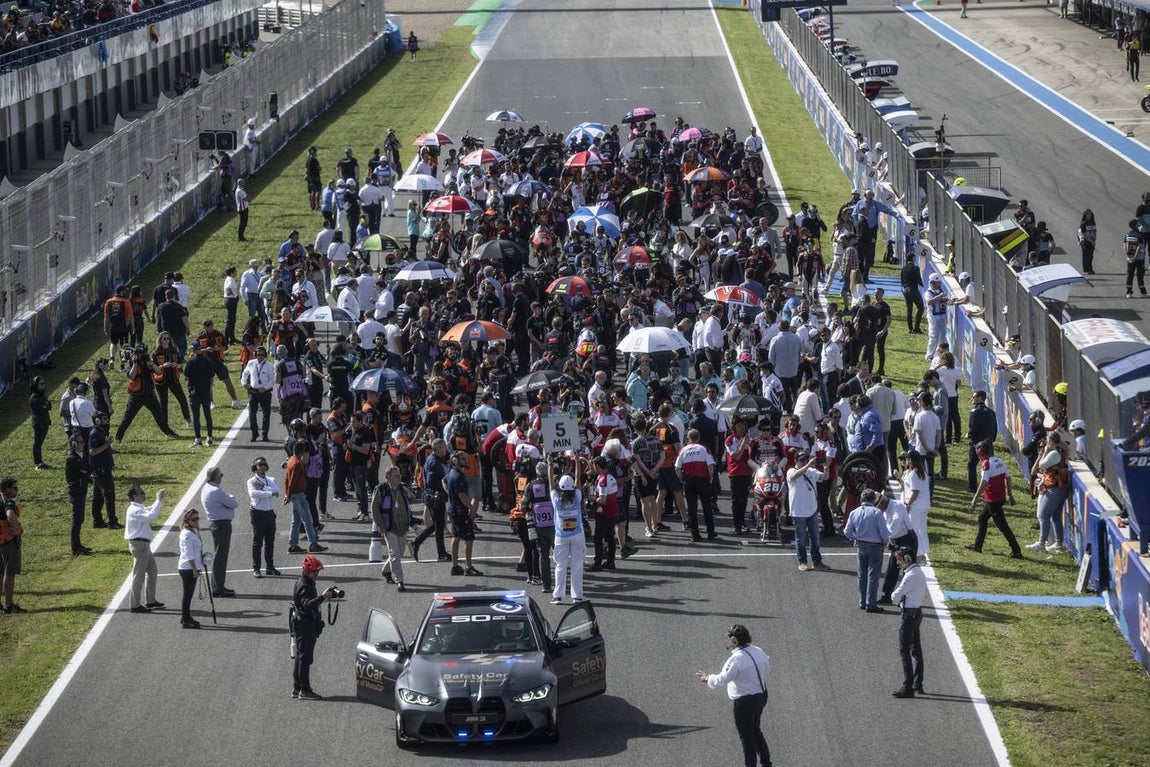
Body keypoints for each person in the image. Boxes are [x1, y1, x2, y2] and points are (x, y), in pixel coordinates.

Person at [696, 624, 773, 767]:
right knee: (756, 731)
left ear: (734, 641)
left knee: (747, 739)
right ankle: (766, 764)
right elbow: (767, 670)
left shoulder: (736, 659)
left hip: (744, 703)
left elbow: (723, 679)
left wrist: (707, 678)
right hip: (761, 696)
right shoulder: (759, 651)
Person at [966, 441, 1022, 558]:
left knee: (1002, 526)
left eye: (977, 451)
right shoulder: (999, 461)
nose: (977, 454)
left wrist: (975, 498)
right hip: (997, 498)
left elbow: (984, 482)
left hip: (993, 499)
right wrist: (1009, 494)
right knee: (982, 518)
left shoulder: (986, 464)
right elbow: (1008, 478)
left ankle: (1016, 550)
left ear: (981, 452)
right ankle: (978, 545)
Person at [292, 554, 336, 699]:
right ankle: (305, 690)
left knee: (300, 657)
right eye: (315, 572)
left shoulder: (303, 581)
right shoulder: (305, 586)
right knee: (305, 658)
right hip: (305, 625)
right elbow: (307, 604)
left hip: (300, 623)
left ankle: (297, 687)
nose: (317, 574)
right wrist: (322, 597)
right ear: (308, 571)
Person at [843, 488, 891, 612]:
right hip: (875, 546)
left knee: (861, 575)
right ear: (873, 500)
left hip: (861, 545)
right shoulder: (877, 513)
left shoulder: (854, 512)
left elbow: (847, 531)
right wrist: (886, 541)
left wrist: (856, 538)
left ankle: (862, 601)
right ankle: (871, 603)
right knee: (873, 576)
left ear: (861, 499)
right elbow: (883, 531)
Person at [548, 456, 586, 605]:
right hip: (577, 535)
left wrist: (550, 464)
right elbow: (578, 481)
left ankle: (557, 596)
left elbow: (551, 483)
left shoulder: (556, 500)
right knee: (577, 566)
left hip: (561, 537)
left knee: (560, 566)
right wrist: (577, 462)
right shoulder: (577, 496)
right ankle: (577, 596)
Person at [890, 546, 927, 698]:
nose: (897, 563)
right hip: (917, 613)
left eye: (899, 560)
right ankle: (918, 683)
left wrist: (896, 598)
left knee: (904, 650)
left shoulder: (910, 576)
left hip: (909, 616)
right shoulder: (918, 572)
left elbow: (895, 596)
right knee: (916, 649)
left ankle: (908, 686)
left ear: (907, 559)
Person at [124, 485, 165, 613]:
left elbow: (151, 510)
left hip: (144, 545)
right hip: (139, 545)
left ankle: (151, 600)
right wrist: (158, 499)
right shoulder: (134, 510)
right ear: (134, 496)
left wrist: (158, 501)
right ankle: (135, 605)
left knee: (152, 571)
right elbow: (152, 516)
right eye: (141, 492)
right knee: (139, 575)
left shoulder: (139, 508)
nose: (143, 494)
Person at [372, 466, 413, 591]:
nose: (399, 477)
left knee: (400, 552)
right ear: (388, 477)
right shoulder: (381, 489)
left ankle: (386, 570)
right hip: (389, 527)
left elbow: (413, 500)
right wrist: (381, 526)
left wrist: (409, 493)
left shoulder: (402, 488)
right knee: (395, 554)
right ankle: (399, 580)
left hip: (403, 527)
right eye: (396, 475)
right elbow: (375, 508)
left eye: (399, 475)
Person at [411, 439, 451, 563]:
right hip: (435, 497)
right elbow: (432, 481)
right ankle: (419, 543)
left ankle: (441, 552)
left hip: (432, 496)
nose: (446, 449)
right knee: (438, 525)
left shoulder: (433, 459)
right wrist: (443, 490)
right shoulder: (434, 462)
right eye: (444, 447)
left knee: (437, 525)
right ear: (438, 448)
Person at [201, 466, 238, 597]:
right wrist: (231, 497)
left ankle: (218, 585)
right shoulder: (215, 491)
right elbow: (233, 503)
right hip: (221, 525)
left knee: (220, 555)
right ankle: (218, 588)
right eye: (220, 475)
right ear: (215, 477)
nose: (222, 477)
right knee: (221, 557)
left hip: (218, 524)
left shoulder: (207, 489)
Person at [676, 428, 718, 542]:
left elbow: (678, 468)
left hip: (689, 481)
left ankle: (695, 534)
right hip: (702, 479)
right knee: (707, 506)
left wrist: (682, 479)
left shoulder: (683, 450)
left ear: (689, 438)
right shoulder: (704, 448)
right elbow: (710, 465)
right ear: (698, 438)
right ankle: (710, 531)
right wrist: (711, 477)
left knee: (692, 508)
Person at [787, 450, 826, 571]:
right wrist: (808, 464)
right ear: (796, 461)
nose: (804, 462)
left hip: (812, 509)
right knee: (801, 538)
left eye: (806, 459)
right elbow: (794, 476)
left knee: (815, 537)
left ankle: (817, 561)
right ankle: (802, 561)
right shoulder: (791, 471)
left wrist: (826, 467)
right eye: (801, 460)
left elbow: (824, 477)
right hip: (798, 511)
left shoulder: (812, 471)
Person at [446, 451, 482, 576]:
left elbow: (444, 482)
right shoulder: (459, 476)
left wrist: (451, 496)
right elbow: (462, 496)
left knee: (456, 537)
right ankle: (468, 567)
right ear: (456, 461)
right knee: (468, 539)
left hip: (452, 508)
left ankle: (455, 566)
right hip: (460, 511)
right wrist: (472, 509)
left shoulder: (451, 472)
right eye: (463, 459)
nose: (466, 462)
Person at [285, 440, 325, 554]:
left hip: (295, 495)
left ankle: (293, 545)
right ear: (301, 452)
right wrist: (288, 495)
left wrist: (287, 494)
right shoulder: (297, 463)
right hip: (298, 495)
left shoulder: (291, 460)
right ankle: (313, 543)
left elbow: (287, 479)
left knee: (296, 520)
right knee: (308, 519)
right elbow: (292, 481)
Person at [247, 457, 282, 577]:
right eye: (260, 464)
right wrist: (270, 493)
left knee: (270, 542)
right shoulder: (251, 481)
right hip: (258, 513)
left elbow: (277, 490)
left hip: (269, 513)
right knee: (257, 542)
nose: (263, 466)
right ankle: (256, 568)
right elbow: (254, 494)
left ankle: (270, 567)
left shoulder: (271, 479)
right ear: (255, 467)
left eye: (264, 464)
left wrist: (265, 489)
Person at [65, 435, 93, 556]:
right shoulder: (72, 458)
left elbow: (86, 470)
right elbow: (87, 468)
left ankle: (78, 545)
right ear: (74, 444)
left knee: (80, 519)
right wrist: (86, 471)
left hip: (81, 490)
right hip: (77, 492)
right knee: (77, 520)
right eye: (81, 442)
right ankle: (75, 547)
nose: (84, 444)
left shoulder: (79, 456)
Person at [241, 345, 276, 441]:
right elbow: (245, 373)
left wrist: (265, 388)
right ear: (255, 355)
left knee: (266, 414)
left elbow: (272, 380)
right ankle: (254, 433)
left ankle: (265, 434)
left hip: (265, 392)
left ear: (265, 355)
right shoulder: (251, 363)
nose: (260, 356)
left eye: (262, 355)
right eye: (258, 354)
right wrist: (244, 383)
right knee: (252, 413)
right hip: (253, 391)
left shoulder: (269, 366)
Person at [1, 478, 25, 614]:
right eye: (15, 488)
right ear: (7, 489)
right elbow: (10, 515)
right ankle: (9, 605)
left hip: (1, 542)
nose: (17, 490)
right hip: (9, 542)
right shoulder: (8, 502)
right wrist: (16, 529)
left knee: (0, 572)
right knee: (9, 573)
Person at [177, 508, 204, 629]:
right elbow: (188, 554)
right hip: (188, 568)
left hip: (194, 566)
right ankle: (185, 619)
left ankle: (186, 617)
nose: (196, 521)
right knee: (187, 594)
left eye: (197, 518)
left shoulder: (193, 531)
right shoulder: (186, 534)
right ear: (187, 520)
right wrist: (194, 569)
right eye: (194, 519)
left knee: (189, 594)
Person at [29, 376, 51, 470]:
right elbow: (41, 409)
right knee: (37, 443)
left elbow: (49, 406)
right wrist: (45, 405)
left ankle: (40, 462)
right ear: (36, 385)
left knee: (40, 443)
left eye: (44, 384)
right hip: (38, 423)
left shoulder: (42, 395)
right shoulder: (34, 397)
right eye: (41, 384)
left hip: (45, 421)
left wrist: (45, 405)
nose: (43, 386)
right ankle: (38, 463)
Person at [235, 177, 250, 242]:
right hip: (242, 209)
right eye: (243, 182)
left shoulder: (240, 189)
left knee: (244, 222)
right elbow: (244, 199)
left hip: (244, 208)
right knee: (243, 223)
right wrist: (248, 197)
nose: (244, 183)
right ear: (239, 183)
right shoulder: (240, 191)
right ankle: (240, 237)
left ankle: (241, 236)